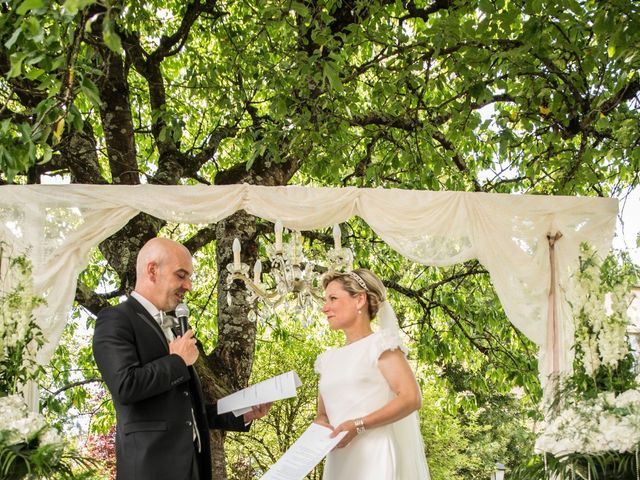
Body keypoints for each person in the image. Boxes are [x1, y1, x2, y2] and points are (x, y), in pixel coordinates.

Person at [93, 237, 270, 480]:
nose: (188, 286)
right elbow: (125, 386)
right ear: (152, 270)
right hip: (151, 471)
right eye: (181, 275)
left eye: (189, 278)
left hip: (193, 468)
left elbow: (190, 413)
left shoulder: (174, 328)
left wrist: (243, 412)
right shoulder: (116, 319)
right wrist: (177, 361)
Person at [314, 268, 430, 479]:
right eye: (325, 300)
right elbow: (323, 415)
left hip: (374, 456)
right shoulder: (327, 360)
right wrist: (320, 426)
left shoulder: (381, 345)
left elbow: (411, 398)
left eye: (333, 298)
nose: (325, 308)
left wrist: (358, 426)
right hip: (337, 459)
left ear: (359, 300)